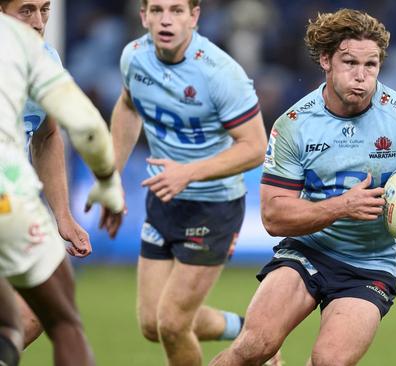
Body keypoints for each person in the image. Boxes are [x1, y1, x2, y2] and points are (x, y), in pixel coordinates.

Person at [210, 8, 396, 366]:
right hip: (306, 252)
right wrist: (341, 207)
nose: (361, 77)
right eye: (350, 63)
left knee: (330, 362)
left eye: (371, 65)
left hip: (370, 265)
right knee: (253, 347)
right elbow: (274, 216)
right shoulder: (294, 124)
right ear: (326, 60)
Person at [110, 0, 267, 364]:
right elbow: (128, 105)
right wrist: (111, 178)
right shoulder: (133, 57)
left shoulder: (220, 73)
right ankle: (251, 334)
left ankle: (256, 340)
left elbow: (256, 148)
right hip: (163, 197)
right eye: (158, 10)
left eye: (177, 10)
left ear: (194, 17)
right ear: (143, 16)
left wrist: (188, 172)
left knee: (172, 324)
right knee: (152, 323)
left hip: (213, 206)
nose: (166, 19)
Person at [0, 13, 125, 366]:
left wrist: (63, 214)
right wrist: (108, 181)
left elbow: (48, 133)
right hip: (8, 194)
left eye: (45, 8)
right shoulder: (29, 53)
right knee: (62, 319)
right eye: (26, 9)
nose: (39, 21)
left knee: (22, 317)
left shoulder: (45, 52)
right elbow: (86, 126)